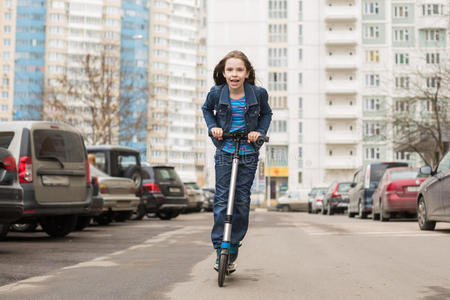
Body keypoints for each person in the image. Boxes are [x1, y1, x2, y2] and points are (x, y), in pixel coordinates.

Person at [202, 50, 272, 272]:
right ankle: (219, 247)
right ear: (223, 73)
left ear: (247, 72)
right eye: (230, 69)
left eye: (239, 69)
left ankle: (233, 246)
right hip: (225, 150)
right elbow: (206, 110)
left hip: (248, 153)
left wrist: (258, 132)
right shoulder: (216, 93)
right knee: (222, 199)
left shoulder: (258, 94)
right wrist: (213, 127)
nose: (234, 74)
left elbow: (266, 114)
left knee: (241, 200)